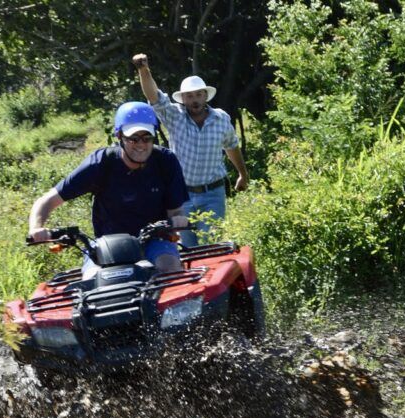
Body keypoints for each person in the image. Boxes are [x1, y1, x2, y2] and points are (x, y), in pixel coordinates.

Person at [28, 101, 190, 275]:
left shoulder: (165, 161)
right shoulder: (101, 164)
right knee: (92, 277)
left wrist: (178, 220)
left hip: (156, 239)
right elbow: (47, 200)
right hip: (108, 243)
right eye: (133, 138)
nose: (141, 144)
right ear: (119, 136)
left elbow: (175, 211)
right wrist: (36, 228)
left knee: (169, 268)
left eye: (147, 138)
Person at [132, 53, 249, 247]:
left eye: (198, 95)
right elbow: (154, 97)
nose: (194, 100)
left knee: (211, 246)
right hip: (181, 196)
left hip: (213, 194)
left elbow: (231, 145)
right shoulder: (174, 116)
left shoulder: (221, 119)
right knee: (187, 249)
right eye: (189, 96)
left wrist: (242, 174)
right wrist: (143, 69)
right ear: (183, 99)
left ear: (205, 96)